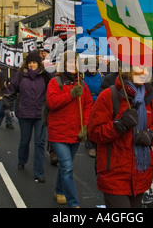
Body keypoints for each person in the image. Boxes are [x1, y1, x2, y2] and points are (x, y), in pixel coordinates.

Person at [88, 65, 153, 208]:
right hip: (114, 173)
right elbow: (94, 132)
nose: (146, 72)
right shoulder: (109, 96)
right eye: (141, 68)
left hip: (141, 173)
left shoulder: (150, 98)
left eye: (147, 69)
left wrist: (151, 134)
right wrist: (119, 125)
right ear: (127, 69)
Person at [46, 50, 93, 207]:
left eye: (75, 62)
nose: (73, 65)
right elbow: (52, 103)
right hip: (58, 133)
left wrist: (85, 127)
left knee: (66, 167)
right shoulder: (55, 82)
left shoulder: (82, 84)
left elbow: (87, 106)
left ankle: (59, 190)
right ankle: (73, 203)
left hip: (75, 133)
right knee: (67, 167)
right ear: (64, 64)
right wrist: (71, 94)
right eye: (70, 62)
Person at [3, 51, 52, 183]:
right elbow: (10, 91)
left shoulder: (45, 76)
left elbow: (52, 91)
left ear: (38, 64)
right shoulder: (20, 76)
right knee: (25, 140)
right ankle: (22, 160)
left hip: (40, 115)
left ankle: (39, 172)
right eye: (30, 62)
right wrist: (7, 108)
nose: (31, 65)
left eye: (34, 62)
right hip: (24, 114)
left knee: (40, 143)